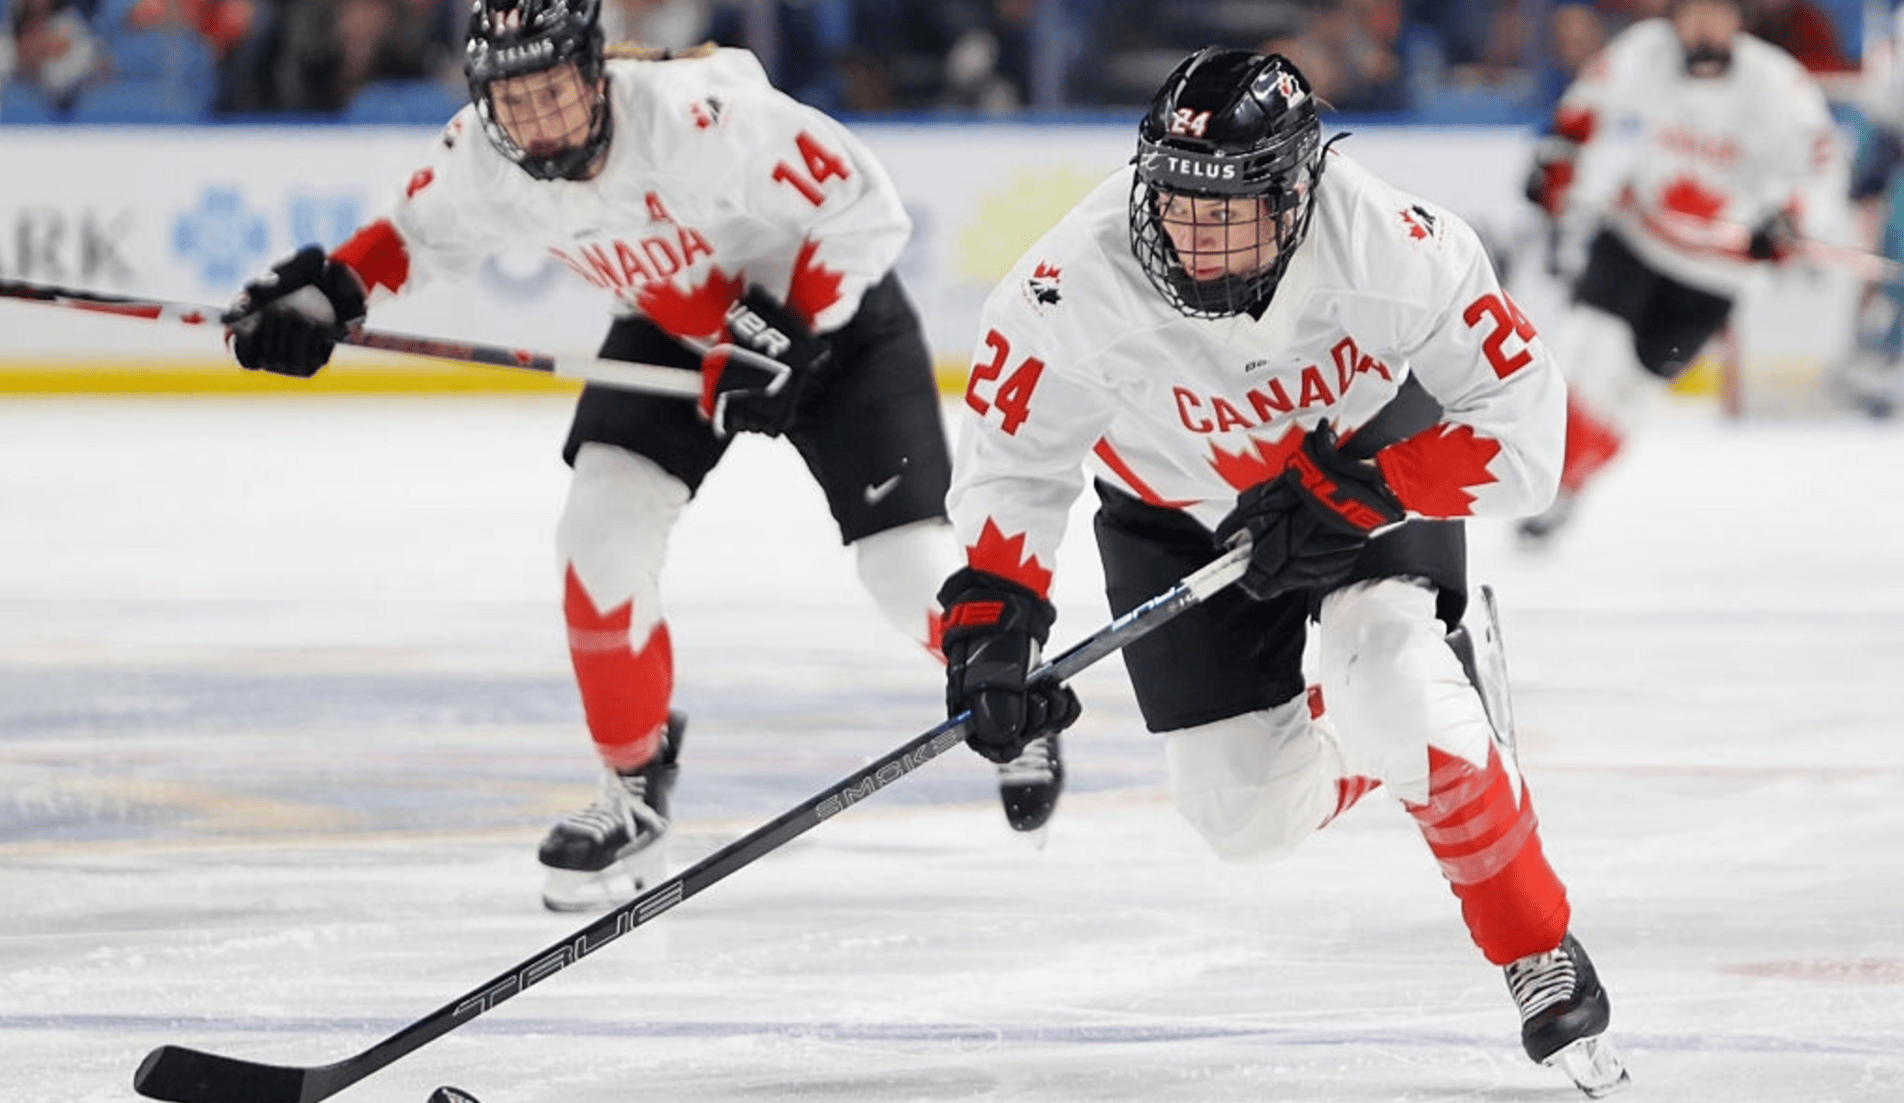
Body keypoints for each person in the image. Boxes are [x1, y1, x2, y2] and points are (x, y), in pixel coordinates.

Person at [219, 0, 1063, 913]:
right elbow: (411, 238)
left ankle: (1009, 692)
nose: (537, 122)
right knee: (598, 532)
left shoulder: (701, 113)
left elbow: (865, 206)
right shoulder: (482, 154)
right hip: (678, 333)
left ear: (595, 73)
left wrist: (791, 327)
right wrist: (323, 296)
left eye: (555, 93)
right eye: (514, 100)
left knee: (904, 573)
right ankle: (633, 783)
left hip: (834, 323)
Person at [934, 47, 1630, 1096]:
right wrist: (993, 624)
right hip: (1172, 515)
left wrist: (1371, 485)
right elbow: (1014, 461)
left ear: (1298, 187)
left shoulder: (1392, 242)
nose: (1196, 239)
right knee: (1243, 819)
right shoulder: (1065, 281)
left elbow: (1528, 438)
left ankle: (1532, 935)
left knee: (1392, 683)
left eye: (1231, 211)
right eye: (1175, 203)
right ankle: (1409, 730)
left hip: (1359, 470)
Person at [1519, 0, 1837, 541]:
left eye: (1715, 14)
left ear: (1738, 20)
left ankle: (1570, 487)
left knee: (1629, 399)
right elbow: (1583, 109)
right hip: (1636, 237)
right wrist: (1556, 161)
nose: (1702, 27)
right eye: (1691, 13)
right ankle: (1539, 476)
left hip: (1717, 273)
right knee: (1580, 355)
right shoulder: (1644, 51)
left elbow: (1822, 163)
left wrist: (1790, 220)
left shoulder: (1778, 83)